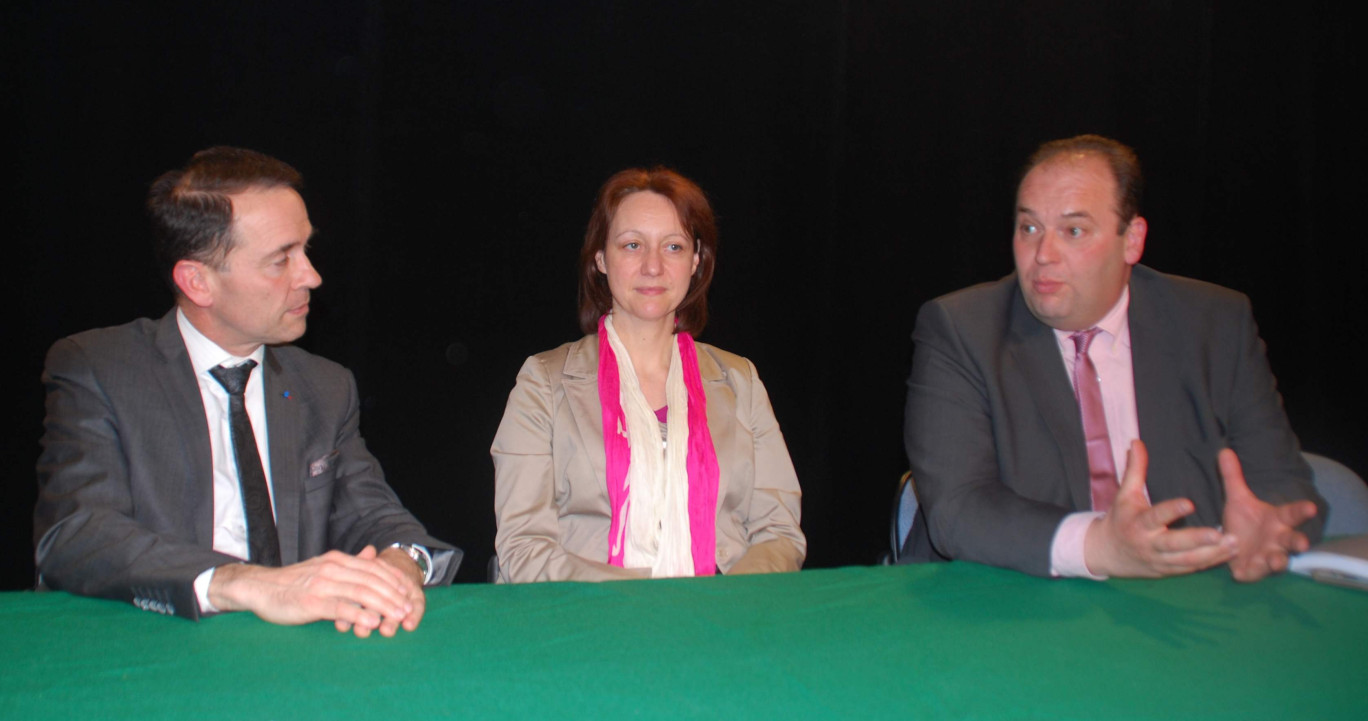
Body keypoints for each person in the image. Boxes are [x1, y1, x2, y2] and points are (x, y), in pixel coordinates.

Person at [34, 147, 460, 636]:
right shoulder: (100, 369)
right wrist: (246, 585)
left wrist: (401, 565)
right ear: (198, 282)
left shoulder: (323, 386)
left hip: (285, 658)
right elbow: (77, 534)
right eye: (281, 260)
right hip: (140, 651)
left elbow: (378, 518)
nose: (312, 276)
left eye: (306, 249)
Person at [903, 134, 1324, 581]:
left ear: (1132, 241)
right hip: (1011, 601)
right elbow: (958, 508)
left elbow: (1283, 483)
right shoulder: (962, 329)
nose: (1043, 255)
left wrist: (1267, 525)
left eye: (1074, 231)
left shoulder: (1214, 324)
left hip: (1186, 600)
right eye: (1029, 228)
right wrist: (1098, 545)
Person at [491, 167, 805, 582]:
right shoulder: (543, 383)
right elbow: (523, 547)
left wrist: (722, 604)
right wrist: (650, 603)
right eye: (632, 245)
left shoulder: (740, 381)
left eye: (673, 247)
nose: (653, 266)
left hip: (721, 621)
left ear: (696, 260)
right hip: (591, 621)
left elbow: (780, 535)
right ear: (601, 258)